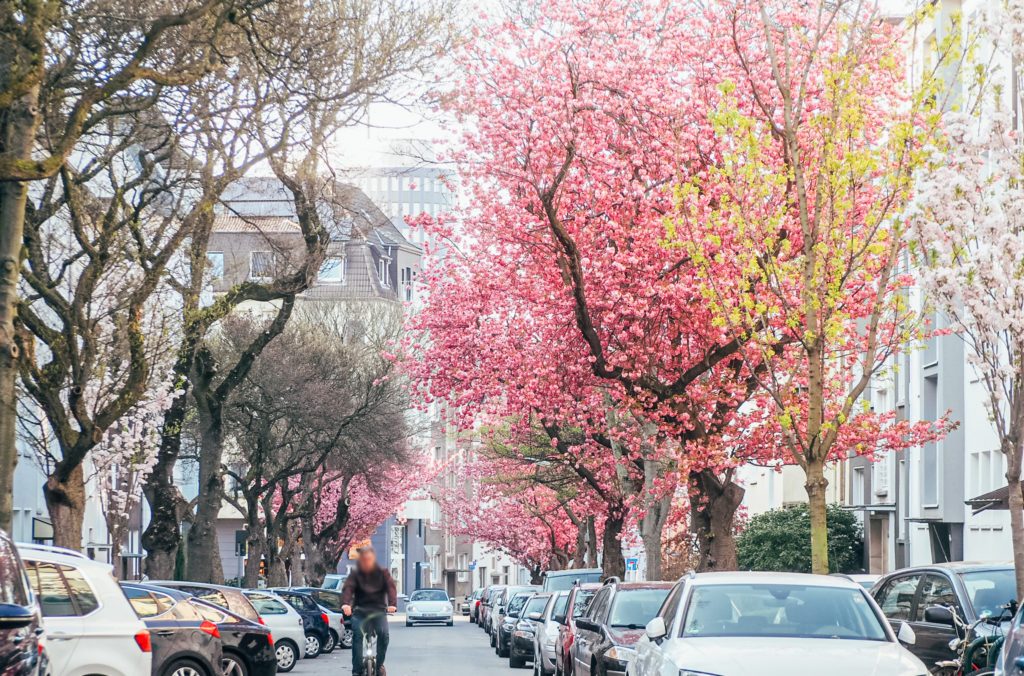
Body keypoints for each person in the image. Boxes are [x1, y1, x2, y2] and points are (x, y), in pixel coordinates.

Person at [341, 546, 398, 676]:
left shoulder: (383, 573)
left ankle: (379, 665)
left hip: (378, 611)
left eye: (368, 559)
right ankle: (357, 670)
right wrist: (346, 604)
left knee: (384, 635)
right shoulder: (355, 574)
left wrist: (392, 604)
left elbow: (391, 588)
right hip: (360, 611)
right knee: (357, 636)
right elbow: (348, 589)